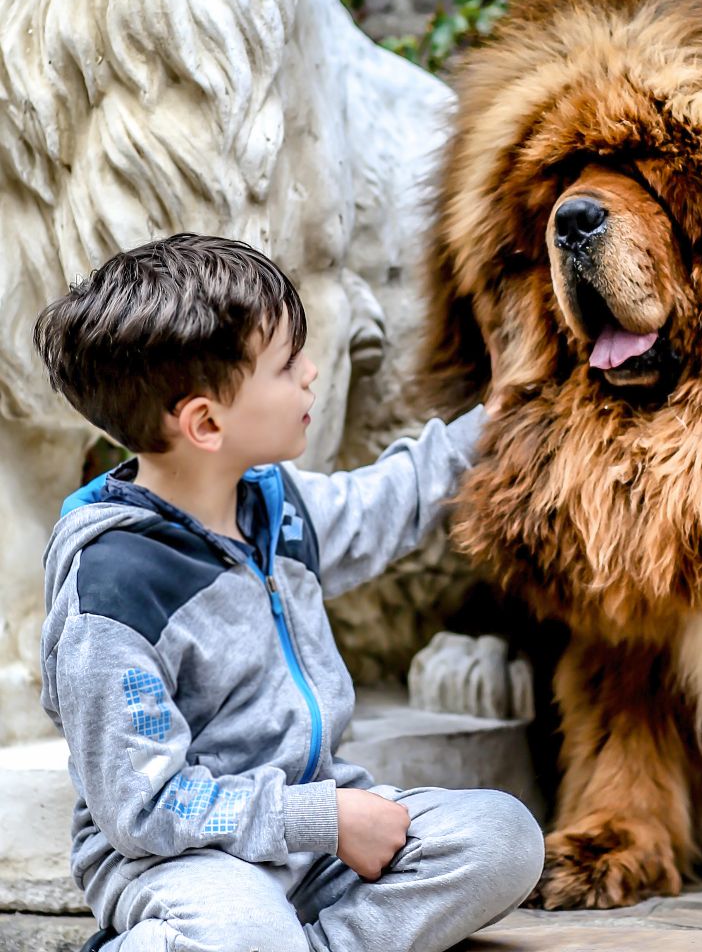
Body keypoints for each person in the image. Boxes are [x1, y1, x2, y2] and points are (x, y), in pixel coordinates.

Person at [33, 234, 544, 952]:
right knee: (245, 933)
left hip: (317, 844)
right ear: (206, 423)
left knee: (505, 837)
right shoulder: (112, 594)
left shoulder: (276, 507)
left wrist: (494, 423)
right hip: (184, 860)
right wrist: (323, 818)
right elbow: (141, 809)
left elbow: (385, 502)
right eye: (286, 365)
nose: (310, 375)